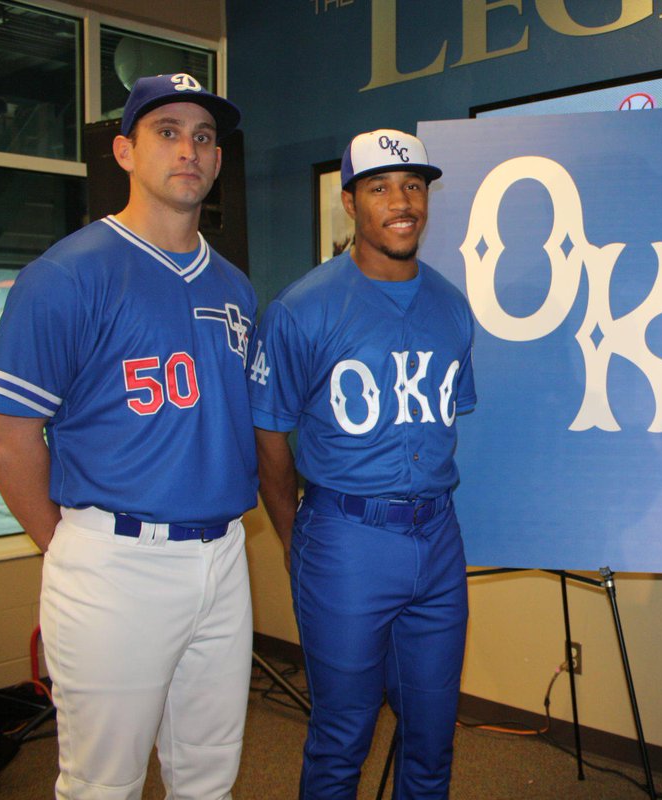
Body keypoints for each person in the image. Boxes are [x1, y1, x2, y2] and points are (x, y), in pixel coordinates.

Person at [0, 73, 257, 799]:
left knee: (209, 777)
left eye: (204, 137)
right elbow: (10, 440)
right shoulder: (66, 276)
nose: (190, 150)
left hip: (223, 553)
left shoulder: (234, 287)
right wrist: (77, 550)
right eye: (167, 132)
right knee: (101, 785)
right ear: (123, 150)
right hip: (115, 557)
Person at [249, 129, 475, 799]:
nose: (401, 201)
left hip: (437, 536)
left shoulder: (452, 306)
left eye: (413, 185)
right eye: (379, 187)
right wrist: (296, 536)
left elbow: (445, 421)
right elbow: (270, 442)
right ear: (350, 202)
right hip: (346, 537)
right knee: (341, 736)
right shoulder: (301, 308)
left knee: (433, 738)